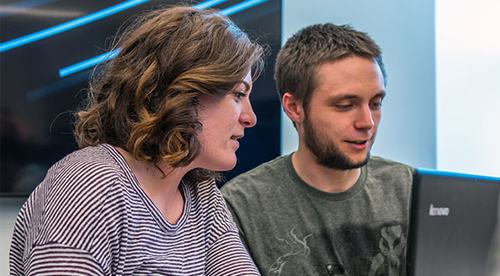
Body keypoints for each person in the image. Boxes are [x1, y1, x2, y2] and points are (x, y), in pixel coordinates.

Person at [10, 6, 264, 276]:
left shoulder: (202, 196)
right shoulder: (90, 182)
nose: (250, 118)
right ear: (183, 94)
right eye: (238, 94)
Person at [221, 23, 414, 276]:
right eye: (345, 105)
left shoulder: (410, 189)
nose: (367, 122)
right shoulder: (241, 206)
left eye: (376, 103)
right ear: (294, 107)